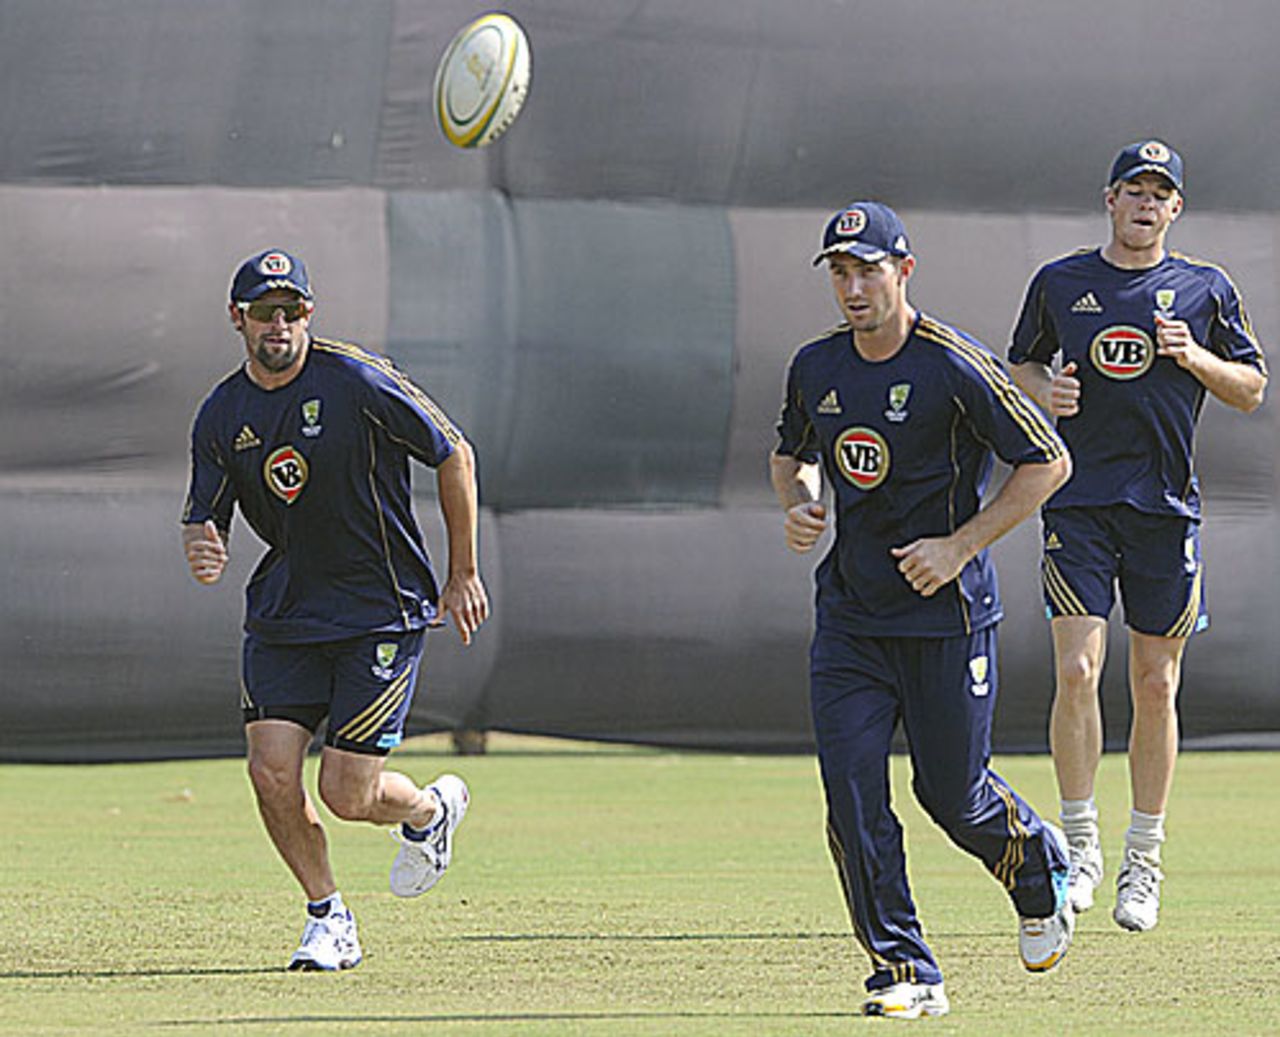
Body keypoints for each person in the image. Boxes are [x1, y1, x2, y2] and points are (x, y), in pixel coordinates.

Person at [771, 202, 1075, 1019]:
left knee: (954, 794)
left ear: (904, 272)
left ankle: (1037, 862)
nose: (854, 286)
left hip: (947, 619)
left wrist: (960, 545)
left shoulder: (954, 364)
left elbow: (1047, 462)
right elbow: (791, 454)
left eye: (869, 269)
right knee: (852, 797)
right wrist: (802, 502)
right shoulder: (816, 366)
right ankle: (904, 968)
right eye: (840, 272)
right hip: (850, 621)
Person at [181, 249, 491, 971]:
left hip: (379, 608)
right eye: (265, 311)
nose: (280, 323)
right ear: (239, 319)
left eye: (292, 310)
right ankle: (327, 916)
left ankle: (428, 812)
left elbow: (455, 454)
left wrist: (463, 572)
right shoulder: (222, 413)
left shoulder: (353, 377)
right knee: (270, 772)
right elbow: (204, 514)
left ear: (309, 316)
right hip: (287, 612)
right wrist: (204, 544)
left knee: (347, 792)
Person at [1007, 141, 1267, 932]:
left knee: (1156, 683)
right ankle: (1079, 846)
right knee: (1079, 668)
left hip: (1164, 508)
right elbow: (1017, 369)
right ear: (1109, 199)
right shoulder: (1061, 282)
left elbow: (1252, 387)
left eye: (1161, 193)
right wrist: (1044, 389)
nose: (1146, 205)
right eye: (1133, 191)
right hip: (1079, 501)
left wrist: (1194, 357)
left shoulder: (1205, 289)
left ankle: (1142, 858)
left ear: (1176, 208)